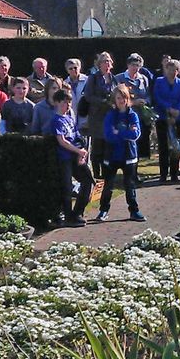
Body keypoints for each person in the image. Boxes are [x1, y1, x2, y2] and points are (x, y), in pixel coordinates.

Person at [95, 85, 146, 222]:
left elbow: (135, 134)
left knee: (129, 185)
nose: (121, 100)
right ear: (114, 100)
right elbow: (108, 135)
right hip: (111, 155)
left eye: (123, 97)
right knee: (108, 186)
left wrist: (119, 132)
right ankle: (103, 211)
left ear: (128, 98)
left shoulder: (132, 115)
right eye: (118, 98)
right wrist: (124, 133)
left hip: (129, 155)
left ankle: (134, 211)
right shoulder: (110, 115)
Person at [51, 89, 92, 228]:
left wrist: (82, 150)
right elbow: (62, 141)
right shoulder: (56, 120)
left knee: (87, 180)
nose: (67, 106)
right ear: (56, 103)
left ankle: (78, 212)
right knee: (67, 187)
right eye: (64, 103)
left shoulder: (69, 118)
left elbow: (77, 136)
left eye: (69, 103)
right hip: (65, 158)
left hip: (76, 156)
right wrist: (77, 151)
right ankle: (68, 216)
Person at [82, 52, 117, 175]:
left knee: (108, 145)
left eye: (108, 61)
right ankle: (96, 175)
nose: (107, 63)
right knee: (97, 147)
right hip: (97, 116)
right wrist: (103, 102)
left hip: (110, 115)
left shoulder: (113, 78)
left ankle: (107, 172)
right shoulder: (94, 77)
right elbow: (88, 96)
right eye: (104, 61)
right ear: (99, 64)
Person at [153, 59, 180, 181]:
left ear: (178, 71)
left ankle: (174, 173)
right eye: (169, 69)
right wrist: (168, 108)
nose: (172, 72)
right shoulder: (159, 82)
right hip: (162, 117)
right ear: (166, 69)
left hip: (178, 118)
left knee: (175, 147)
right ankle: (163, 174)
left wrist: (177, 111)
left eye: (175, 70)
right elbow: (157, 97)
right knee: (163, 147)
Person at [115, 53, 152, 160]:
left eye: (137, 65)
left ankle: (137, 167)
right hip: (126, 116)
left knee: (141, 143)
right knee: (128, 142)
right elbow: (116, 98)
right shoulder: (119, 78)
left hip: (142, 116)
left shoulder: (144, 79)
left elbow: (149, 95)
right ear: (128, 65)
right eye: (133, 65)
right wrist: (133, 102)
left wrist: (145, 101)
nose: (135, 67)